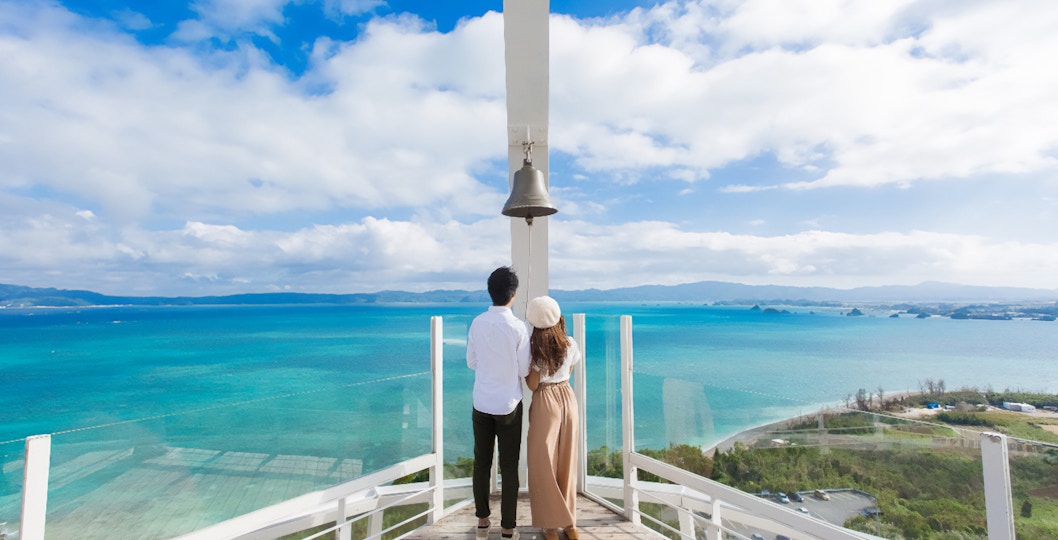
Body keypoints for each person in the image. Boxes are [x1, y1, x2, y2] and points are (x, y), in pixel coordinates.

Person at [467, 266, 531, 540]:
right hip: (508, 404)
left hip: (481, 402)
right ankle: (508, 527)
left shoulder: (477, 323)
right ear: (513, 294)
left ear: (490, 292)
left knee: (481, 462)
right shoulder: (517, 327)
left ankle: (483, 522)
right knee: (509, 464)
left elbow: (472, 362)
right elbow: (524, 369)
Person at [524, 296, 581, 540]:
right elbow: (568, 372)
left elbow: (534, 385)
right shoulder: (570, 343)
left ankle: (550, 526)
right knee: (567, 461)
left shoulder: (535, 349)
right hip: (568, 398)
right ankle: (570, 524)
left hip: (546, 400)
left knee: (543, 463)